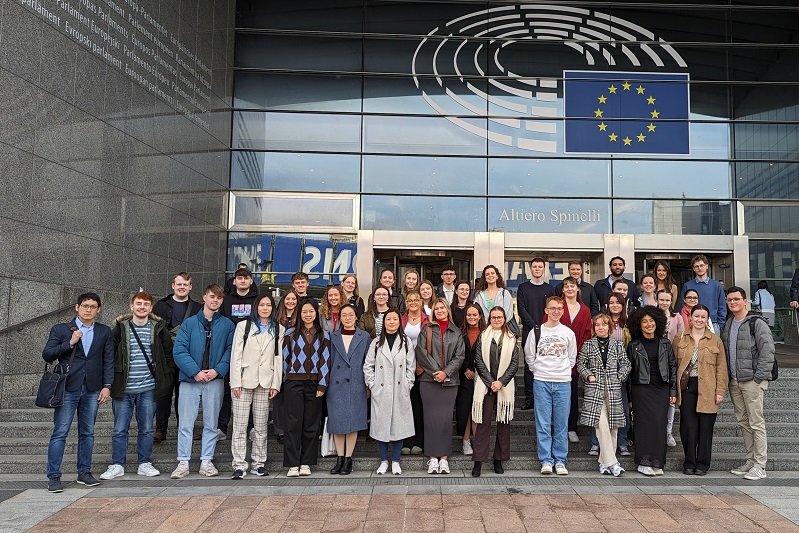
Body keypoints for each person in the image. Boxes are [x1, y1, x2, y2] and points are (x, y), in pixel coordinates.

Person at [43, 293, 115, 493]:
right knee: (60, 432)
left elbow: (109, 360)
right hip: (67, 388)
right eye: (85, 305)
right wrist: (70, 343)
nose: (88, 309)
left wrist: (107, 386)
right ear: (77, 307)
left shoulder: (104, 331)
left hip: (92, 389)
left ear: (98, 309)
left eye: (93, 306)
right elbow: (47, 354)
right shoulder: (61, 329)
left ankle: (84, 473)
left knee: (88, 433)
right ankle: (54, 477)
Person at [100, 291, 174, 481]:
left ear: (150, 308)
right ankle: (117, 464)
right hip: (123, 389)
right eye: (138, 304)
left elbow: (168, 356)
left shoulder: (159, 329)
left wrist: (166, 379)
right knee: (119, 429)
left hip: (148, 388)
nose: (142, 307)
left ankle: (144, 463)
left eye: (146, 305)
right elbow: (108, 356)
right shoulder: (119, 329)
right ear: (131, 307)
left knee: (147, 429)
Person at [170, 284, 235, 479]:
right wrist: (195, 372)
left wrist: (217, 371)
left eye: (219, 298)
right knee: (186, 423)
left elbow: (230, 351)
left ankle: (206, 461)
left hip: (215, 380)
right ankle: (183, 461)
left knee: (211, 422)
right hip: (190, 380)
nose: (215, 300)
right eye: (212, 297)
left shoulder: (227, 325)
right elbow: (179, 351)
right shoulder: (189, 324)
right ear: (204, 297)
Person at [721, 286, 775, 481]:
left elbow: (767, 351)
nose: (733, 302)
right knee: (743, 422)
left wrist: (758, 377)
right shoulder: (728, 324)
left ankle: (760, 465)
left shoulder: (756, 323)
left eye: (736, 299)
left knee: (756, 422)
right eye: (729, 300)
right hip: (735, 381)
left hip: (752, 381)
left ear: (745, 301)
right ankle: (750, 460)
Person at [229, 293, 283, 479]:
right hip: (244, 381)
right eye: (262, 305)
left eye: (268, 305)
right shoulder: (243, 327)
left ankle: (259, 463)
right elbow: (235, 356)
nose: (265, 308)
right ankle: (239, 464)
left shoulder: (278, 329)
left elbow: (278, 359)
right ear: (256, 307)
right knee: (240, 425)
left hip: (265, 382)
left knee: (260, 426)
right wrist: (234, 381)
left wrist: (276, 383)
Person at [525, 296, 577, 475]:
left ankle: (560, 460)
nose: (556, 311)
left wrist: (560, 371)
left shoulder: (568, 333)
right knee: (543, 423)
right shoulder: (536, 331)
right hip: (541, 381)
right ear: (546, 310)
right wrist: (540, 371)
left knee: (561, 423)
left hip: (563, 383)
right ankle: (546, 460)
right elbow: (530, 356)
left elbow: (571, 358)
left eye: (559, 309)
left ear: (563, 311)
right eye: (552, 308)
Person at [674, 304, 728, 475]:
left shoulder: (715, 340)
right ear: (690, 317)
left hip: (708, 387)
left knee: (706, 428)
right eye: (696, 316)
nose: (699, 320)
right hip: (687, 386)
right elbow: (673, 364)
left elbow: (722, 368)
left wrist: (720, 391)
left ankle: (703, 463)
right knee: (688, 427)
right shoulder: (680, 337)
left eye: (703, 317)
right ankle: (689, 461)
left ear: (707, 319)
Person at [576, 313, 631, 477]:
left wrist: (619, 377)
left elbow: (626, 364)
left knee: (613, 428)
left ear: (610, 327)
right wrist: (588, 375)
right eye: (597, 325)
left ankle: (603, 463)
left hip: (613, 390)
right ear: (594, 328)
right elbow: (580, 364)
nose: (600, 327)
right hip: (595, 390)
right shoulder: (588, 345)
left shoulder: (618, 344)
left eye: (603, 324)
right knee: (602, 425)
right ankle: (613, 463)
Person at [415, 300, 466, 474]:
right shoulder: (427, 329)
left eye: (442, 307)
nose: (439, 311)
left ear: (447, 309)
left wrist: (446, 373)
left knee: (445, 421)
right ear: (433, 312)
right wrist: (436, 372)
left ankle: (443, 458)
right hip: (428, 381)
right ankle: (432, 458)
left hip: (450, 381)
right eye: (436, 308)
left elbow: (460, 357)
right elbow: (421, 352)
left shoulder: (456, 331)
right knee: (430, 420)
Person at [282, 299, 330, 477]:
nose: (308, 314)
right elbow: (285, 359)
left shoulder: (324, 335)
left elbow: (325, 360)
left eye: (311, 311)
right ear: (299, 314)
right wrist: (284, 380)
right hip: (294, 382)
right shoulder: (290, 334)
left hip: (314, 384)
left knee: (311, 424)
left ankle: (306, 462)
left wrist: (322, 384)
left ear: (316, 313)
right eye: (304, 312)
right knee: (293, 423)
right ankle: (292, 463)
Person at [626, 306, 677, 476]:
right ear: (638, 325)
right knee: (643, 425)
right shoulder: (633, 345)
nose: (649, 324)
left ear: (657, 322)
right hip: (641, 388)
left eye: (651, 321)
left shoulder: (665, 343)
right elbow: (629, 372)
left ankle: (657, 461)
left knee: (659, 423)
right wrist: (630, 397)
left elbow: (672, 367)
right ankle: (643, 461)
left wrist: (673, 391)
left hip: (661, 388)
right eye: (644, 321)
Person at [364, 309, 416, 475]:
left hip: (400, 388)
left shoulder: (406, 341)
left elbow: (411, 366)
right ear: (384, 322)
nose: (392, 322)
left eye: (395, 319)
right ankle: (383, 461)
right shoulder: (376, 342)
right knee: (381, 425)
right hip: (382, 389)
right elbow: (368, 365)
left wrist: (408, 384)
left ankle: (396, 461)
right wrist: (372, 384)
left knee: (399, 425)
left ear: (399, 322)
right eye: (388, 319)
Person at [153, 272, 202, 442]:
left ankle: (186, 428)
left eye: (185, 284)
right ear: (173, 286)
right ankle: (161, 430)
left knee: (186, 396)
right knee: (163, 395)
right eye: (178, 284)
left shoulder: (197, 308)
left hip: (188, 359)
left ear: (190, 287)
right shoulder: (160, 305)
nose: (182, 287)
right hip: (165, 358)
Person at [470, 306, 519, 477]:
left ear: (505, 319)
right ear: (489, 319)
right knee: (483, 425)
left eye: (499, 317)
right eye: (493, 317)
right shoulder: (483, 336)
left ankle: (499, 460)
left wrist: (501, 382)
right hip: (486, 385)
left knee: (503, 424)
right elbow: (478, 361)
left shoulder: (512, 338)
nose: (496, 320)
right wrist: (491, 382)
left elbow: (514, 363)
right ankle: (478, 462)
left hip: (503, 386)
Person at [326, 304, 370, 475]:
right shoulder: (332, 336)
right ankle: (340, 457)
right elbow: (328, 360)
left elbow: (368, 362)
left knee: (353, 423)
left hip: (356, 383)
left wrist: (367, 384)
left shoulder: (364, 336)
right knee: (337, 423)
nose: (347, 318)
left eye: (350, 314)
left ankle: (348, 458)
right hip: (336, 385)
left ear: (356, 317)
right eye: (344, 315)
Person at [219, 268, 259, 439]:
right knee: (227, 389)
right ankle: (221, 427)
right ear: (234, 281)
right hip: (230, 349)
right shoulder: (226, 300)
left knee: (251, 388)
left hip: (253, 350)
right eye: (239, 278)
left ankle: (251, 427)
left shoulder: (258, 300)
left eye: (246, 278)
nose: (243, 281)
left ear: (251, 281)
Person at [591, 293, 633, 457]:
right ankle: (596, 443)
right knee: (598, 411)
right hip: (599, 373)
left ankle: (622, 443)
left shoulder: (628, 324)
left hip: (618, 374)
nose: (615, 305)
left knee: (620, 411)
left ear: (623, 305)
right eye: (611, 302)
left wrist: (621, 376)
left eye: (618, 302)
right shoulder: (600, 322)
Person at [517, 258, 555, 411]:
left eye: (540, 267)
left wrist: (543, 327)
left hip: (547, 332)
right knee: (529, 365)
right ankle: (529, 399)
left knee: (546, 363)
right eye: (534, 267)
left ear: (544, 269)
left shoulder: (550, 289)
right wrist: (534, 327)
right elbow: (521, 310)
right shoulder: (523, 287)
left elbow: (552, 310)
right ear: (530, 269)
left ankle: (544, 398)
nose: (537, 269)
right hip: (529, 331)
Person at [558, 277, 592, 444]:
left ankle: (571, 428)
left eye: (573, 286)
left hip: (575, 360)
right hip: (555, 360)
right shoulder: (557, 307)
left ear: (578, 289)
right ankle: (558, 427)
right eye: (566, 286)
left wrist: (579, 357)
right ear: (563, 290)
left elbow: (587, 335)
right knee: (556, 396)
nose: (570, 288)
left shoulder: (584, 310)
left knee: (571, 395)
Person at [400, 290, 428, 456]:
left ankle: (418, 441)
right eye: (409, 300)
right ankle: (406, 441)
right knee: (405, 406)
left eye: (415, 299)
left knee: (419, 406)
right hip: (403, 368)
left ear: (421, 301)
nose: (413, 302)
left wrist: (422, 364)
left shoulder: (427, 319)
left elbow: (431, 344)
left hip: (422, 368)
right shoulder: (402, 319)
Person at [272, 289, 300, 443]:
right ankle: (280, 429)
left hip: (296, 361)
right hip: (278, 360)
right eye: (288, 299)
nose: (290, 302)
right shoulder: (276, 318)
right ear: (283, 301)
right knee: (279, 396)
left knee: (293, 398)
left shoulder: (301, 318)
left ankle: (292, 429)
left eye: (293, 299)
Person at [658, 288, 684, 448]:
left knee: (671, 399)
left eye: (667, 300)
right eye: (661, 299)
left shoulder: (677, 317)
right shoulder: (651, 315)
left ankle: (668, 431)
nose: (664, 303)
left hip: (671, 359)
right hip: (655, 360)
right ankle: (658, 431)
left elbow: (681, 339)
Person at [458, 303, 484, 457]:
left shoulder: (486, 333)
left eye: (475, 315)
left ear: (480, 316)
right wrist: (465, 368)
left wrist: (477, 370)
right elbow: (456, 353)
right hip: (464, 377)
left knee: (477, 410)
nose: (472, 317)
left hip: (481, 377)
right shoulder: (460, 333)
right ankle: (466, 441)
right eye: (469, 315)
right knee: (465, 411)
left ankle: (478, 441)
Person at [680, 254, 727, 332]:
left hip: (713, 324)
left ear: (707, 266)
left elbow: (722, 306)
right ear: (693, 269)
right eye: (696, 266)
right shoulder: (687, 286)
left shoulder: (717, 285)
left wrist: (719, 325)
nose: (699, 268)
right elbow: (683, 307)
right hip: (692, 324)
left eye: (702, 265)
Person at [473, 265, 515, 334]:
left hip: (502, 331)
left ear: (497, 276)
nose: (490, 275)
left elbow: (508, 313)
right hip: (484, 331)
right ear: (484, 278)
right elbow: (477, 313)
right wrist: (488, 327)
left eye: (492, 273)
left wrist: (496, 324)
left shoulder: (505, 293)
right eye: (487, 274)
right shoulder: (479, 295)